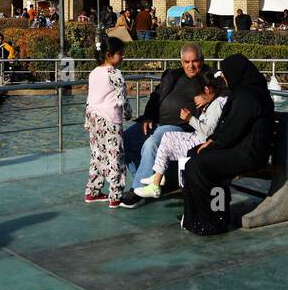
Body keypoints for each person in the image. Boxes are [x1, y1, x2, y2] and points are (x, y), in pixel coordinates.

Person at [180, 54, 274, 235]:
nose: (223, 77)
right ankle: (196, 216)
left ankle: (215, 219)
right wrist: (212, 140)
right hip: (240, 147)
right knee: (193, 156)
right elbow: (228, 126)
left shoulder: (249, 96)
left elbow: (234, 129)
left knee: (199, 165)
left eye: (226, 73)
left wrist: (214, 144)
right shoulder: (243, 92)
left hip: (250, 153)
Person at [118, 44, 206, 207]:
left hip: (180, 126)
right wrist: (148, 116)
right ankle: (151, 181)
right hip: (156, 121)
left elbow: (225, 92)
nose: (190, 66)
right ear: (181, 61)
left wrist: (208, 97)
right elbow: (155, 96)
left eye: (195, 61)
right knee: (124, 140)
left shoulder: (209, 78)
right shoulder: (172, 75)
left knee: (151, 144)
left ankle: (137, 190)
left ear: (202, 60)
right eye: (186, 62)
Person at [135, 69, 228, 199]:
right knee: (167, 136)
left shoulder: (217, 104)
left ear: (207, 90)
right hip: (197, 137)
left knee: (164, 143)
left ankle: (155, 185)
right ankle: (158, 177)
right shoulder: (215, 100)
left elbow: (209, 131)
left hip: (201, 142)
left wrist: (190, 118)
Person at [84, 36, 128, 207]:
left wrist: (87, 122)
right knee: (115, 156)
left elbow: (90, 98)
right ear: (109, 55)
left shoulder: (94, 72)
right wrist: (129, 113)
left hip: (93, 118)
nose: (123, 57)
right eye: (120, 54)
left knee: (97, 156)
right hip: (110, 120)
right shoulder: (114, 73)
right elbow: (121, 98)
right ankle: (115, 196)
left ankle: (92, 191)